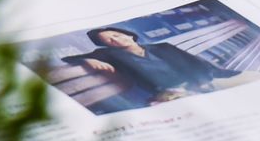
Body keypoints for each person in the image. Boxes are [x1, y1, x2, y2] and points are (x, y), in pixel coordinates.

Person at [62, 26, 244, 103]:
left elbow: (196, 63)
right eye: (108, 41)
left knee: (251, 81)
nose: (114, 40)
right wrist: (88, 60)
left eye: (116, 35)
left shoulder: (163, 47)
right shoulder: (108, 54)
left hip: (203, 81)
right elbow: (69, 59)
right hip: (172, 93)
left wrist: (216, 77)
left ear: (129, 35)